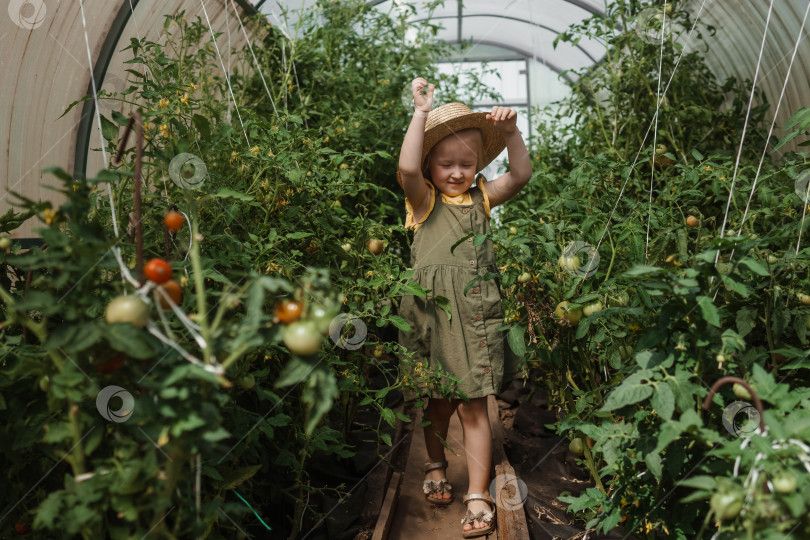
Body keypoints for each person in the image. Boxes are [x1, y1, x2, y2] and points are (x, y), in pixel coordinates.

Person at [396, 77, 532, 537]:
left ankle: (477, 492)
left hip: (473, 311)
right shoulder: (424, 200)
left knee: (476, 404)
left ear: (477, 166)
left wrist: (512, 133)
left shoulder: (481, 198)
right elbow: (407, 169)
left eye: (466, 164)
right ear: (432, 163)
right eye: (446, 163)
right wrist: (419, 114)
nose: (456, 172)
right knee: (437, 402)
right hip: (433, 314)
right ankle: (435, 464)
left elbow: (519, 176)